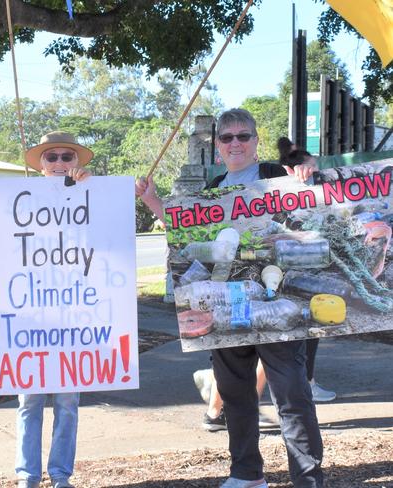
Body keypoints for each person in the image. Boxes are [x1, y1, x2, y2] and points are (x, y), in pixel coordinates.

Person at [137, 109, 324, 488]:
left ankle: (308, 479)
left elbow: (315, 187)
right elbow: (185, 230)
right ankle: (246, 474)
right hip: (227, 302)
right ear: (218, 147)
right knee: (236, 393)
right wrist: (153, 201)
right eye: (227, 138)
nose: (235, 143)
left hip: (278, 299)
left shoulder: (278, 175)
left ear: (256, 142)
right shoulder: (213, 189)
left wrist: (306, 167)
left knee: (291, 395)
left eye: (243, 136)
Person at [15, 131, 92, 488]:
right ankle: (27, 476)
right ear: (41, 164)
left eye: (67, 157)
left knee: (67, 404)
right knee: (29, 403)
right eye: (52, 157)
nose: (60, 163)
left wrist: (88, 191)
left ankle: (60, 475)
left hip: (73, 317)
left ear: (77, 163)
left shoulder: (91, 196)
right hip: (32, 317)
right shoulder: (20, 201)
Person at [277, 137, 336, 403]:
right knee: (300, 333)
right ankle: (306, 384)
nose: (316, 173)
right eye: (312, 168)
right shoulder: (284, 193)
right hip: (293, 273)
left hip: (306, 269)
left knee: (306, 331)